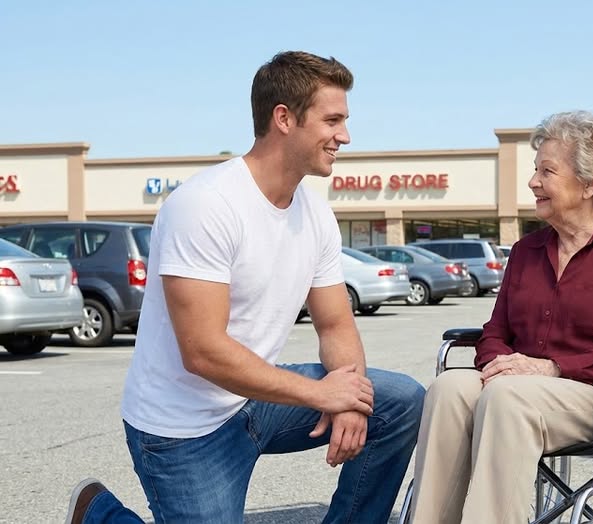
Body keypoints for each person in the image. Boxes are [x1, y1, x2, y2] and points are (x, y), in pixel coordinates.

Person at [64, 51, 425, 523]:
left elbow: (335, 324)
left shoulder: (315, 215)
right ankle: (99, 513)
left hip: (255, 401)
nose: (345, 136)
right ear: (284, 119)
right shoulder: (205, 205)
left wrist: (352, 398)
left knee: (399, 402)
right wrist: (321, 395)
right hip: (183, 428)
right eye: (332, 120)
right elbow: (204, 351)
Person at [408, 111, 593, 523]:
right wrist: (498, 363)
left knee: (505, 397)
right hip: (523, 388)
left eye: (547, 171)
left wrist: (551, 368)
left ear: (590, 183)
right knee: (449, 388)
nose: (533, 182)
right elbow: (495, 332)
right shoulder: (528, 251)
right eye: (535, 170)